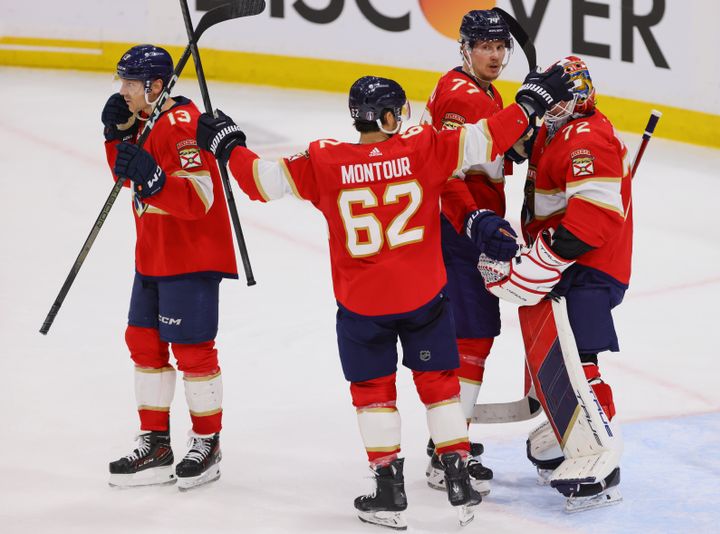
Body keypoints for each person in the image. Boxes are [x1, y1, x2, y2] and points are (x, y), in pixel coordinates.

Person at [195, 71, 572, 527]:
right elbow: (488, 137)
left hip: (363, 305)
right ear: (391, 116)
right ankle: (457, 476)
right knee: (439, 383)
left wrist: (228, 144)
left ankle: (389, 489)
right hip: (423, 297)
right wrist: (529, 104)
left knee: (373, 393)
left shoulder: (324, 161)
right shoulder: (424, 147)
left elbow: (259, 181)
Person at [482, 56, 630, 511]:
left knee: (580, 359)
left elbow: (593, 222)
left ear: (579, 98)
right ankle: (567, 432)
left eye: (559, 100)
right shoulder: (554, 128)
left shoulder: (589, 139)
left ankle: (601, 457)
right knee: (553, 357)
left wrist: (540, 263)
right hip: (565, 263)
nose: (552, 108)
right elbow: (510, 148)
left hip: (588, 267)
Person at [101, 44, 237, 491]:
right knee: (143, 343)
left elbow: (199, 198)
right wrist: (113, 138)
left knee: (193, 351)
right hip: (154, 256)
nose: (122, 92)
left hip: (191, 257)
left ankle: (207, 442)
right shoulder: (144, 121)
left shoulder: (182, 126)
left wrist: (153, 177)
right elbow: (127, 176)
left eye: (130, 84)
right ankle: (156, 443)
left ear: (156, 87)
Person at [419, 9, 533, 493]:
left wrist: (524, 134)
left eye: (501, 47)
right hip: (456, 234)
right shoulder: (461, 96)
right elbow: (446, 173)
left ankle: (448, 444)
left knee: (472, 336)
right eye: (485, 46)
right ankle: (449, 458)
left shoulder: (483, 92)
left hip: (467, 231)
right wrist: (471, 220)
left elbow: (495, 150)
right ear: (464, 48)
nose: (495, 55)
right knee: (471, 337)